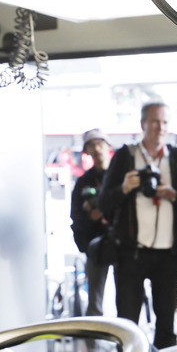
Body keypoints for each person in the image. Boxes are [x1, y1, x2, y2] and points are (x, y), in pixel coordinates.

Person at [98, 102, 177, 349]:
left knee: (167, 323)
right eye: (155, 121)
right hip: (131, 252)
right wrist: (124, 188)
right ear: (143, 124)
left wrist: (173, 194)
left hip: (170, 255)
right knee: (128, 324)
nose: (160, 128)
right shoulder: (125, 156)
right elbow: (104, 202)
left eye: (164, 122)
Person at [70, 128, 113, 320]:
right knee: (95, 302)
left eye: (100, 144)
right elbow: (76, 216)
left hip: (122, 243)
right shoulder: (83, 182)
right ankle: (95, 350)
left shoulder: (119, 176)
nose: (97, 149)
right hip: (95, 246)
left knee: (127, 301)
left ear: (107, 146)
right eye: (92, 145)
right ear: (86, 151)